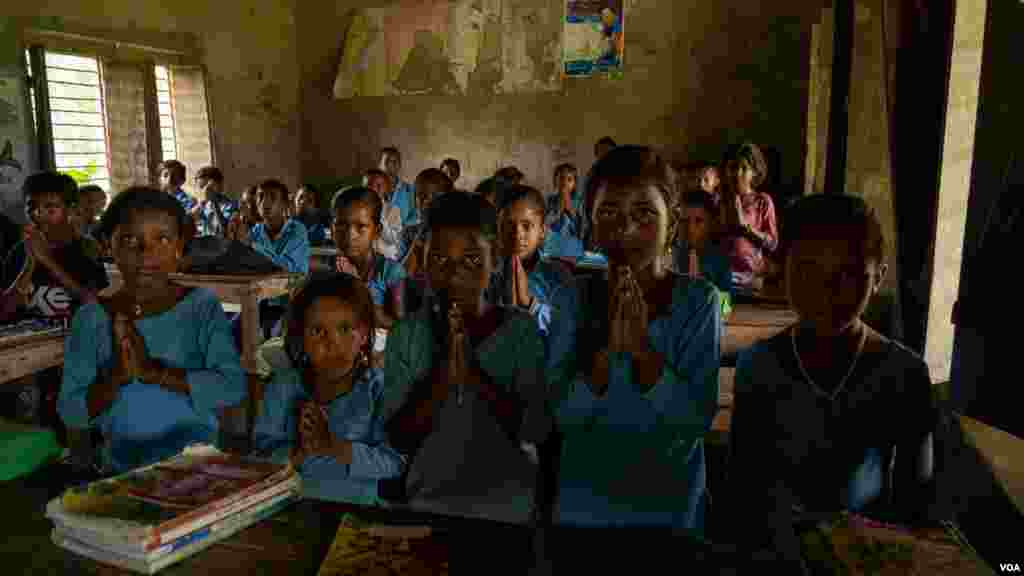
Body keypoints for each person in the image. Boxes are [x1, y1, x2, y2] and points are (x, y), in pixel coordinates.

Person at [727, 194, 937, 565]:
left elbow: (913, 504)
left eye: (850, 274)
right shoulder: (758, 366)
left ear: (879, 278)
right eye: (808, 271)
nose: (828, 290)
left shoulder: (904, 375)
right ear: (781, 269)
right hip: (777, 557)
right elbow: (745, 489)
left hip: (867, 558)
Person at [552, 146, 720, 535]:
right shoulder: (573, 298)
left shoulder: (698, 302)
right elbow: (562, 418)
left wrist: (643, 351)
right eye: (608, 213)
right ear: (590, 224)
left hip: (668, 516)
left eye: (644, 214)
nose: (625, 229)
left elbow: (692, 422)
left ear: (672, 225)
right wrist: (607, 354)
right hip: (585, 513)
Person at [378, 191, 549, 525]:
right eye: (440, 260)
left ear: (496, 258)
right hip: (428, 497)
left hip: (509, 502)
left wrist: (471, 372)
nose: (455, 274)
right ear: (422, 260)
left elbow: (535, 429)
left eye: (472, 260)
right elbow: (399, 437)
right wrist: (444, 373)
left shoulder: (519, 331)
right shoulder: (408, 334)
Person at [58, 186, 247, 473]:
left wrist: (154, 373)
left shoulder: (200, 306)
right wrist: (116, 377)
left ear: (180, 246)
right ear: (108, 246)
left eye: (161, 239)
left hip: (198, 466)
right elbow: (72, 411)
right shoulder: (91, 318)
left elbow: (232, 388)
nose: (146, 253)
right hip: (123, 469)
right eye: (129, 240)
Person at [253, 273, 404, 504]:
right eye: (317, 331)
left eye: (345, 329)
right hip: (289, 510)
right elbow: (259, 456)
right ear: (302, 337)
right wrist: (299, 451)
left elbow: (395, 463)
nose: (331, 342)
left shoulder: (378, 389)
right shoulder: (284, 386)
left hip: (356, 513)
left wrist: (334, 446)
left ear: (364, 334)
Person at [331, 186, 406, 359]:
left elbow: (401, 328)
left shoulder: (392, 272)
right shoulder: (328, 270)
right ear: (332, 228)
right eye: (341, 225)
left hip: (378, 354)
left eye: (361, 227)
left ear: (377, 231)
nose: (350, 235)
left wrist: (357, 286)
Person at [21, 172, 109, 319]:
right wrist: (30, 262)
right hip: (33, 338)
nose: (37, 214)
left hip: (75, 336)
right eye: (31, 207)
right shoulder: (22, 248)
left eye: (50, 208)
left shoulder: (87, 249)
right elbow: (8, 309)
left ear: (71, 209)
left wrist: (46, 259)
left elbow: (94, 304)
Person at [230, 179, 310, 339]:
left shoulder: (297, 230)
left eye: (272, 197)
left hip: (289, 302)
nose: (265, 203)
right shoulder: (255, 231)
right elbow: (242, 266)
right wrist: (235, 243)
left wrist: (251, 245)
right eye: (260, 197)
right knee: (230, 332)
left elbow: (289, 269)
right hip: (259, 300)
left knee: (277, 341)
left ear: (285, 204)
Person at [719, 142, 778, 290]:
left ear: (755, 173)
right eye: (732, 168)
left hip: (751, 275)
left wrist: (746, 228)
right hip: (722, 275)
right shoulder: (718, 201)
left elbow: (772, 243)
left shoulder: (762, 201)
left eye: (744, 168)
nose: (737, 173)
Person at [673, 190, 733, 316]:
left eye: (699, 221)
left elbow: (724, 309)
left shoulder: (720, 260)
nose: (690, 229)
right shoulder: (671, 256)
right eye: (684, 221)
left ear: (710, 223)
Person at [543, 163, 585, 259]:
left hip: (573, 247)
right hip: (552, 245)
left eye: (569, 179)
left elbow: (583, 227)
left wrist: (570, 210)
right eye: (561, 178)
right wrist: (558, 210)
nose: (564, 182)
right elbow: (544, 224)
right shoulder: (549, 201)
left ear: (574, 184)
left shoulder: (579, 202)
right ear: (555, 181)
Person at [365, 168, 403, 260]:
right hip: (364, 258)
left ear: (386, 189)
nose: (373, 189)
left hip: (386, 258)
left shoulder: (393, 210)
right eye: (369, 184)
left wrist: (380, 217)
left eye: (379, 186)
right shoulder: (357, 209)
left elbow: (393, 239)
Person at [190, 166, 236, 238]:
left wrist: (214, 202)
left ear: (219, 185)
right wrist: (201, 204)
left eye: (207, 187)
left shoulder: (230, 205)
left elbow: (224, 231)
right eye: (201, 188)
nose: (204, 192)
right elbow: (186, 220)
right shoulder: (203, 205)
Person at [378, 147, 416, 227]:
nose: (391, 165)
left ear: (400, 165)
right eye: (387, 161)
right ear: (379, 165)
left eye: (395, 162)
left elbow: (414, 216)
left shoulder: (409, 190)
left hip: (402, 237)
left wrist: (402, 227)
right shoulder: (372, 190)